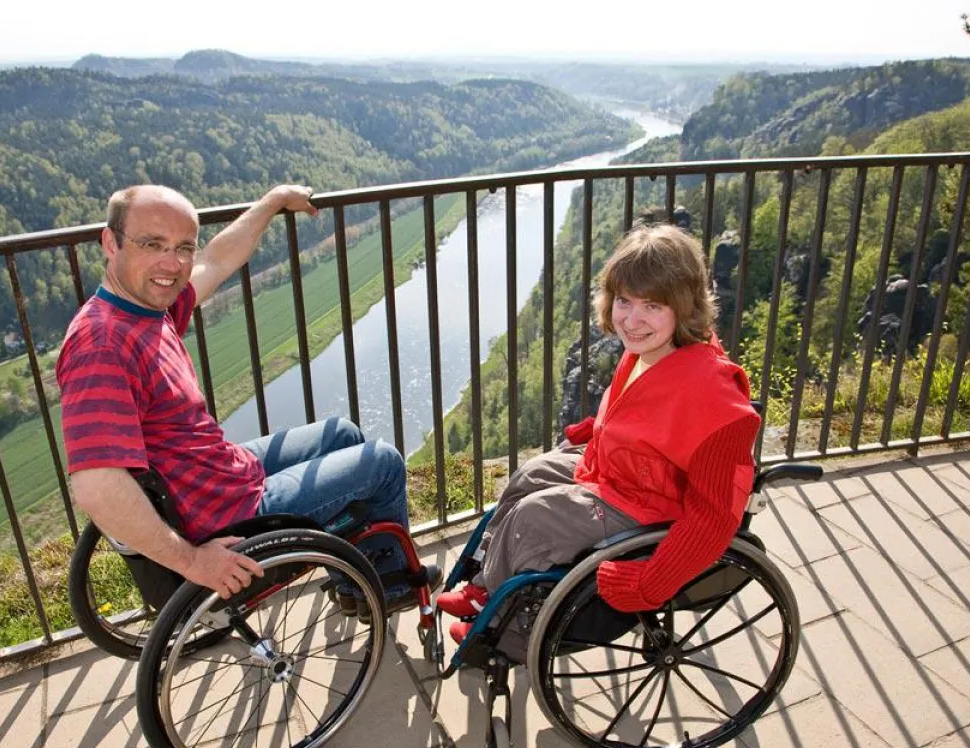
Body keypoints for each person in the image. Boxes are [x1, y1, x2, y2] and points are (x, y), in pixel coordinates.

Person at [57, 183, 433, 609]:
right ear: (111, 243)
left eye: (183, 247)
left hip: (221, 477)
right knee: (383, 463)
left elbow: (217, 260)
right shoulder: (103, 345)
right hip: (230, 516)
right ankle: (389, 588)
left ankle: (352, 578)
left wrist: (273, 201)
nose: (172, 263)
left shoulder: (144, 308)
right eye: (152, 244)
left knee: (342, 433)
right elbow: (96, 485)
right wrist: (195, 562)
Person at [436, 224, 760, 644]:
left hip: (649, 506)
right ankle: (487, 584)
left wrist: (649, 583)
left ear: (684, 306)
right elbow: (649, 416)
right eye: (624, 301)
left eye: (653, 306)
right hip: (621, 474)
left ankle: (502, 626)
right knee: (530, 475)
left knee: (533, 519)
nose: (633, 319)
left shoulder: (716, 399)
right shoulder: (652, 351)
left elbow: (715, 518)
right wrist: (597, 428)